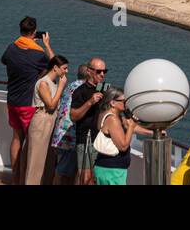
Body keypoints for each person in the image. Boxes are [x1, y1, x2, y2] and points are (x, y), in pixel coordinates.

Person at [0, 16, 55, 185]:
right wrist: (46, 45)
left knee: (16, 138)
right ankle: (26, 179)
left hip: (12, 100)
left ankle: (15, 177)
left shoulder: (11, 48)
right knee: (31, 143)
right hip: (28, 104)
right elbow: (55, 66)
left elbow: (4, 61)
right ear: (34, 32)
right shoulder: (38, 54)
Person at [24, 55, 68, 185]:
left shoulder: (53, 82)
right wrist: (61, 87)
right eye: (64, 68)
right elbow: (51, 105)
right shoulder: (43, 83)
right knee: (36, 161)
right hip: (42, 121)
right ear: (55, 68)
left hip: (51, 121)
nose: (66, 71)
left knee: (49, 161)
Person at [91, 87, 147, 185]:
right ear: (112, 103)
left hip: (106, 168)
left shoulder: (107, 114)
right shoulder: (113, 120)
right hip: (112, 171)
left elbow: (130, 126)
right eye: (123, 101)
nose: (126, 104)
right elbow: (123, 146)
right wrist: (131, 126)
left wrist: (153, 132)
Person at [67, 57, 106, 186]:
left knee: (96, 177)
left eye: (104, 71)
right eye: (99, 71)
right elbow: (73, 116)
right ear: (89, 71)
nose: (102, 74)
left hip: (102, 139)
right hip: (86, 139)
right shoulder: (80, 91)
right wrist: (90, 102)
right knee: (85, 177)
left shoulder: (104, 89)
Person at [49, 63, 88, 185]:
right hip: (70, 137)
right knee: (63, 172)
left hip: (60, 135)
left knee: (64, 171)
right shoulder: (83, 89)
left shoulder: (71, 85)